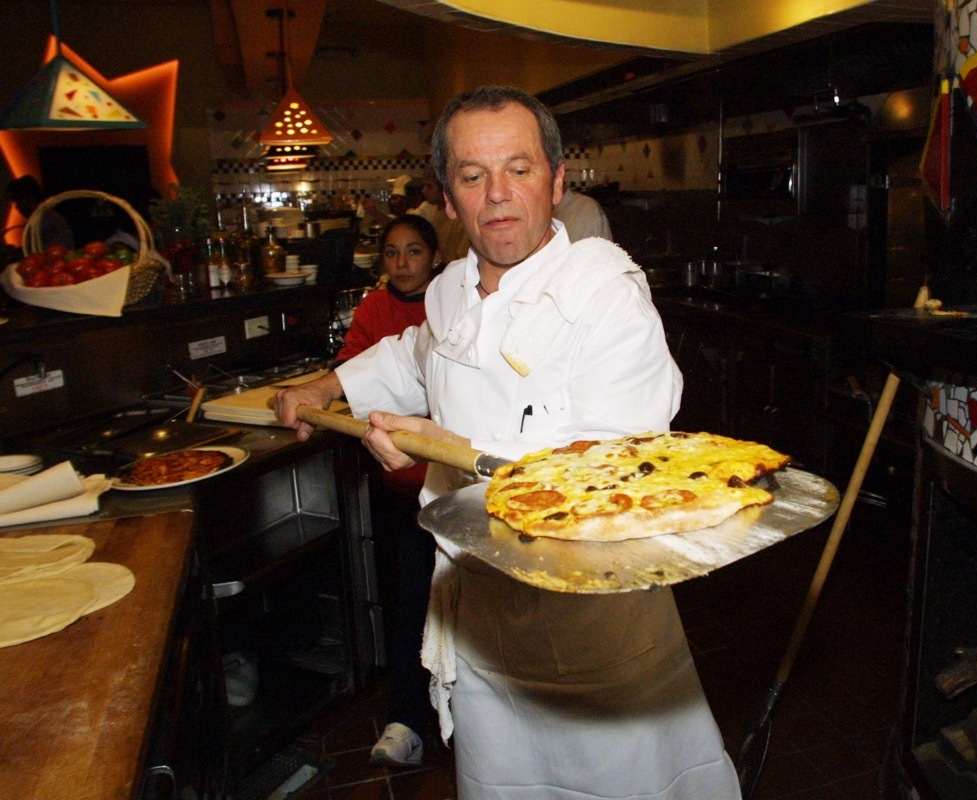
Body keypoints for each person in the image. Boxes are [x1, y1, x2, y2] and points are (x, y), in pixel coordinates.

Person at [275, 85, 741, 799]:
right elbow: (412, 355)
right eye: (473, 175)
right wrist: (326, 386)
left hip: (593, 633)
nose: (497, 195)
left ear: (556, 182)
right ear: (448, 196)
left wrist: (443, 446)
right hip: (484, 629)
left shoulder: (607, 295)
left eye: (519, 169)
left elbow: (619, 466)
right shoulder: (451, 289)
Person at [334, 213, 443, 768]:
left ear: (435, 256)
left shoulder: (452, 304)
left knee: (458, 611)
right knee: (411, 604)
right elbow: (356, 367)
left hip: (449, 488)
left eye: (414, 252)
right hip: (400, 489)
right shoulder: (375, 309)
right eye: (392, 253)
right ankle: (407, 719)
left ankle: (463, 720)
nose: (403, 264)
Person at [411, 164, 470, 263]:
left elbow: (462, 259)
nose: (424, 191)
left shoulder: (458, 219)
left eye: (429, 186)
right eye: (424, 186)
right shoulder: (434, 212)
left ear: (444, 189)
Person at [4, 176, 74, 251]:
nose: (17, 207)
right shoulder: (41, 220)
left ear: (28, 198)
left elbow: (52, 253)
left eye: (18, 201)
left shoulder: (47, 221)